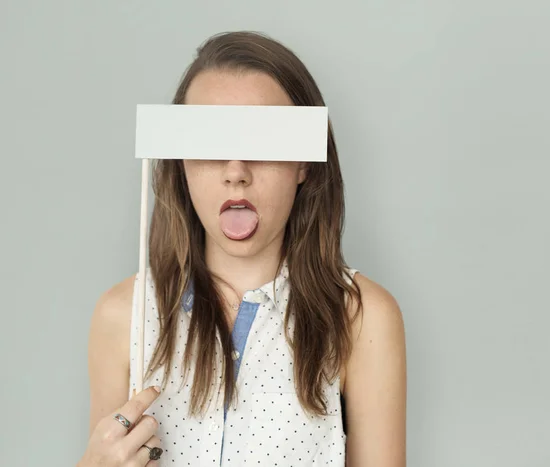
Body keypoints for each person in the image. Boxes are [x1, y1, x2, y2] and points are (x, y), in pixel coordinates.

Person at [77, 31, 406, 467]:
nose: (236, 172)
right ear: (180, 160)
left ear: (304, 162)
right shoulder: (123, 316)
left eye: (264, 142)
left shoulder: (362, 317)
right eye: (210, 144)